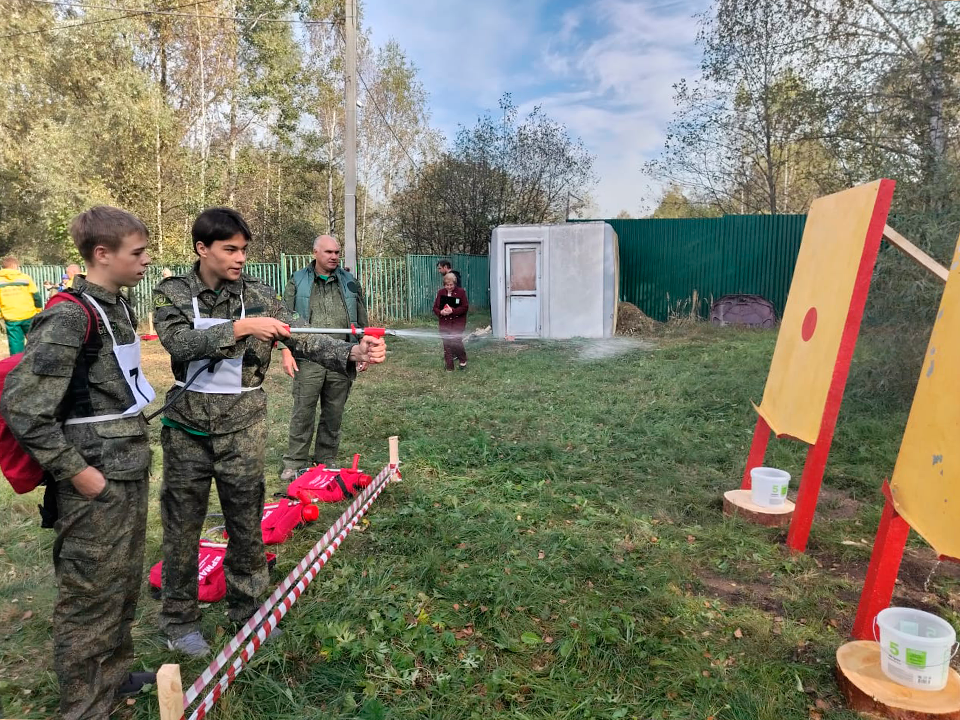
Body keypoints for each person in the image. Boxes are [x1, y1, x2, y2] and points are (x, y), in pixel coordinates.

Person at [152, 208, 386, 657]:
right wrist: (242, 327)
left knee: (246, 522)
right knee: (182, 526)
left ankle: (248, 609)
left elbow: (302, 338)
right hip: (187, 430)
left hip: (243, 428)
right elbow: (178, 344)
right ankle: (179, 620)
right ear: (202, 249)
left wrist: (353, 352)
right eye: (229, 250)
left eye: (244, 249)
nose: (240, 258)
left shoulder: (258, 294)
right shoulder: (173, 293)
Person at [0, 206, 157, 719]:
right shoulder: (69, 315)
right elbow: (24, 405)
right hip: (95, 479)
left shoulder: (117, 306)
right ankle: (84, 706)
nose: (146, 261)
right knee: (88, 595)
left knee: (120, 582)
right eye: (137, 253)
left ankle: (112, 678)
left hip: (127, 470)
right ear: (101, 254)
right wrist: (76, 472)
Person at [278, 235, 368, 481]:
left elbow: (361, 317)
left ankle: (325, 459)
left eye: (337, 252)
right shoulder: (298, 280)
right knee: (303, 411)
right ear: (315, 252)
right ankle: (295, 461)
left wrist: (363, 347)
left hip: (342, 357)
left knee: (334, 412)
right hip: (308, 358)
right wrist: (285, 350)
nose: (334, 257)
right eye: (328, 252)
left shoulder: (350, 282)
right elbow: (284, 318)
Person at [0, 257, 43, 355]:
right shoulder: (25, 278)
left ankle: (17, 364)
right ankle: (38, 359)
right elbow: (36, 296)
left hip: (11, 318)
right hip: (29, 315)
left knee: (15, 344)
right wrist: (38, 309)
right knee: (35, 339)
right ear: (15, 266)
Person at [433, 272, 469, 371]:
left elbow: (465, 307)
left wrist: (453, 311)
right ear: (444, 284)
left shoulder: (461, 292)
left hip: (457, 322)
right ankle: (449, 367)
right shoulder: (441, 292)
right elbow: (435, 308)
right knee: (446, 343)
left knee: (456, 341)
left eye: (451, 285)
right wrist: (441, 312)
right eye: (447, 285)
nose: (449, 287)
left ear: (455, 284)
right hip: (445, 323)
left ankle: (462, 359)